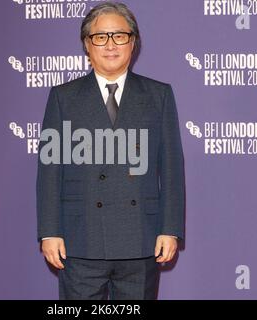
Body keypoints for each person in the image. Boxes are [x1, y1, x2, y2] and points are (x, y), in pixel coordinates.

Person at [36, 1, 185, 300]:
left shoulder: (159, 95)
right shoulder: (64, 97)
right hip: (81, 240)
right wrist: (50, 231)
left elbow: (171, 168)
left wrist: (170, 229)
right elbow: (50, 172)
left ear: (133, 43)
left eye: (120, 36)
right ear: (87, 46)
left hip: (141, 239)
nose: (110, 45)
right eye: (100, 37)